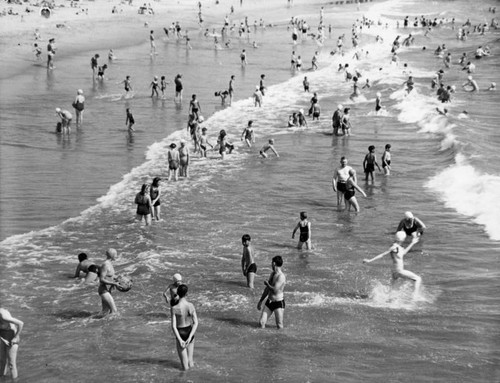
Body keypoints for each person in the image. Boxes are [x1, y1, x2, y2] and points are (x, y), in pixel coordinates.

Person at [363, 232, 422, 298]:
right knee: (418, 279)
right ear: (403, 239)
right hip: (399, 271)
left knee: (393, 291)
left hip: (394, 272)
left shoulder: (397, 247)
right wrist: (370, 260)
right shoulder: (394, 247)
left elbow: (403, 253)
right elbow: (382, 254)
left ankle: (385, 298)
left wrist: (412, 243)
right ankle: (414, 297)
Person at [170, 284, 198, 371]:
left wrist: (180, 340)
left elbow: (173, 326)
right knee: (190, 362)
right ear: (187, 294)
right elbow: (196, 323)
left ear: (178, 293)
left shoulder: (174, 308)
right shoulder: (190, 305)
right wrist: (189, 337)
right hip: (189, 331)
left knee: (185, 367)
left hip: (180, 332)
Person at [257, 256, 286, 329]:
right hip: (269, 302)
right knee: (261, 322)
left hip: (278, 303)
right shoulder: (272, 274)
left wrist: (267, 284)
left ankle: (279, 339)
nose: (271, 264)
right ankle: (262, 339)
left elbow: (275, 290)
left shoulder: (281, 276)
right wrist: (261, 301)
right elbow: (267, 289)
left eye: (271, 262)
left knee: (279, 325)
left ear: (274, 263)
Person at [0, 308, 23, 379]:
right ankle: (2, 379)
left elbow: (20, 323)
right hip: (2, 336)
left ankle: (15, 381)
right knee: (2, 361)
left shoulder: (3, 316)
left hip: (12, 336)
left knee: (11, 364)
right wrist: (2, 339)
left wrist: (15, 337)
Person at [97, 248, 119, 317]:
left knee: (105, 312)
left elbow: (111, 276)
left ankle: (91, 322)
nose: (116, 256)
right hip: (104, 291)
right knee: (114, 311)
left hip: (107, 291)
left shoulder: (110, 264)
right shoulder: (106, 265)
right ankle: (112, 326)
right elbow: (101, 279)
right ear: (111, 255)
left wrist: (121, 278)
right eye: (115, 254)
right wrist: (114, 283)